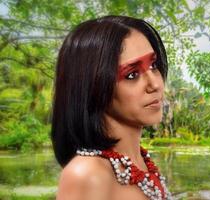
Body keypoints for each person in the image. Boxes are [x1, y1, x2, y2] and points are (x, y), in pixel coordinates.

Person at [51, 15, 172, 200]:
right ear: (92, 87)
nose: (155, 84)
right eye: (132, 75)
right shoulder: (87, 174)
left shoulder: (139, 162)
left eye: (154, 65)